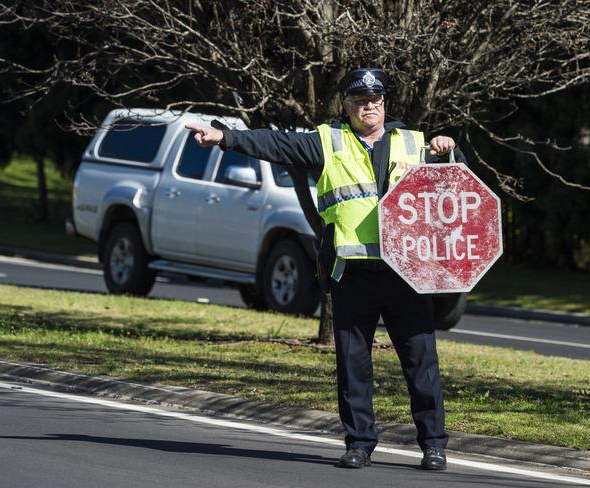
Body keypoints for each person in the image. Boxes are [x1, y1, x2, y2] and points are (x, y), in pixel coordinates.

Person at [186, 68, 458, 471]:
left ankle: (433, 444)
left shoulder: (415, 143)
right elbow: (278, 144)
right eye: (361, 100)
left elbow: (458, 184)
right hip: (352, 271)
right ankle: (360, 443)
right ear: (346, 105)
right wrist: (227, 136)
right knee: (353, 364)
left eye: (377, 99)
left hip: (406, 271)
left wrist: (449, 149)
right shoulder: (328, 142)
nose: (370, 106)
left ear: (385, 103)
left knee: (421, 363)